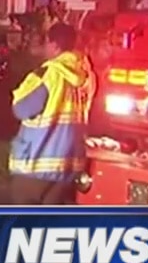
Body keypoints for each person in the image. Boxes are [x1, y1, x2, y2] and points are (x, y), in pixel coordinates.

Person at [8, 22, 96, 205]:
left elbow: (21, 109)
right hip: (69, 165)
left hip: (37, 164)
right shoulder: (86, 75)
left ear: (54, 45)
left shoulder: (49, 74)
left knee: (26, 219)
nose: (44, 47)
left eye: (46, 42)